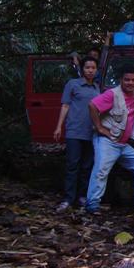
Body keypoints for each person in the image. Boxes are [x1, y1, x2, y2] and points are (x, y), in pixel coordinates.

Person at [85, 64, 134, 214]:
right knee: (101, 169)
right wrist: (99, 128)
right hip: (107, 141)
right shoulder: (112, 94)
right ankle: (92, 205)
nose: (130, 83)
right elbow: (92, 105)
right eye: (127, 80)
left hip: (122, 144)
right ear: (121, 80)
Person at [53, 56, 100, 212]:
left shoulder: (97, 88)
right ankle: (68, 199)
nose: (90, 70)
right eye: (87, 67)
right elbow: (65, 106)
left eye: (93, 68)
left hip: (91, 132)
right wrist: (59, 127)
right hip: (74, 130)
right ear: (82, 69)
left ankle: (82, 197)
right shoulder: (73, 84)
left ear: (97, 70)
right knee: (72, 165)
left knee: (87, 166)